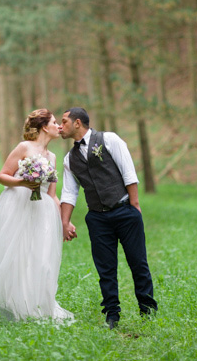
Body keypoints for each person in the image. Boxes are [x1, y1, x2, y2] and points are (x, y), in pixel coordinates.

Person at [0, 109, 74, 322]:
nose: (59, 126)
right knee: (16, 255)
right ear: (44, 127)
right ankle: (11, 304)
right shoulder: (24, 147)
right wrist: (23, 182)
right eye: (55, 122)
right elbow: (2, 176)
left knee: (40, 258)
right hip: (17, 205)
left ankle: (34, 304)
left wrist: (65, 221)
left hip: (41, 210)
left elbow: (52, 195)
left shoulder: (52, 157)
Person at [59, 107, 157, 329]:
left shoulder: (109, 139)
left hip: (124, 211)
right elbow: (69, 193)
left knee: (138, 262)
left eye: (63, 121)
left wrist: (135, 207)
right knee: (106, 269)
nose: (59, 126)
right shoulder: (69, 159)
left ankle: (148, 310)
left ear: (77, 123)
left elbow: (128, 172)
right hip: (96, 218)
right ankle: (112, 315)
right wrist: (65, 222)